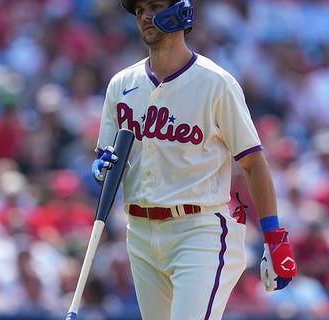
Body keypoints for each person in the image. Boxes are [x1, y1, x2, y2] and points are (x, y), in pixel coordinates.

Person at [89, 0, 297, 319]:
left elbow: (253, 162)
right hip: (141, 231)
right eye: (140, 8)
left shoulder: (216, 83)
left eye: (155, 5)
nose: (145, 15)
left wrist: (273, 235)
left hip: (197, 231)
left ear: (181, 10)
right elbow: (109, 159)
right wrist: (102, 167)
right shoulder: (122, 84)